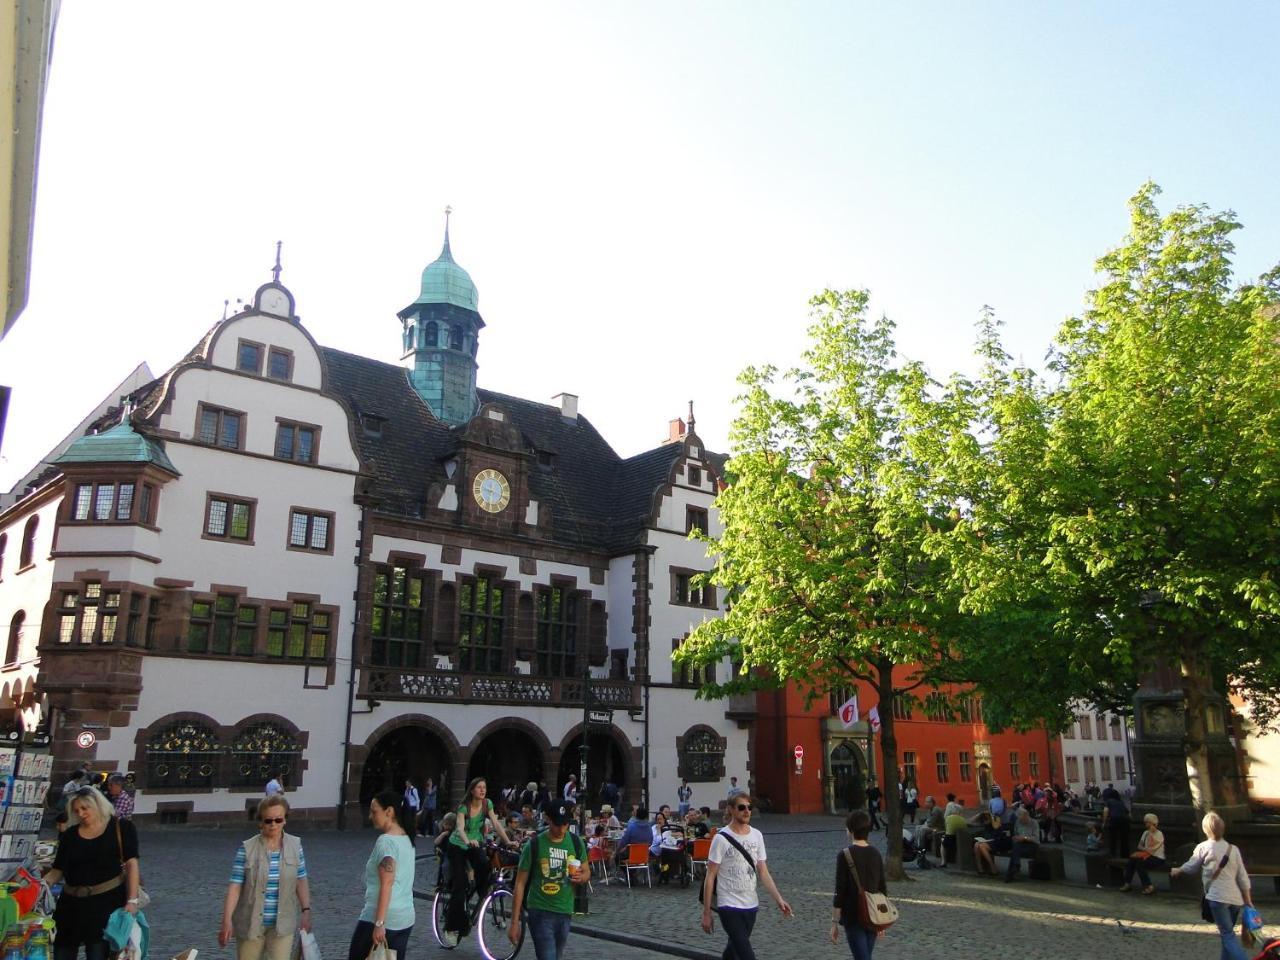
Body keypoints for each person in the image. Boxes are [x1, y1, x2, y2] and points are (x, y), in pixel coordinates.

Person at [42, 786, 141, 960]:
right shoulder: (70, 835)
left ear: (96, 805)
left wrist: (132, 900)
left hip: (105, 902)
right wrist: (42, 885)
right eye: (77, 810)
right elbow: (58, 870)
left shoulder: (121, 827)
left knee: (97, 953)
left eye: (84, 808)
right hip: (71, 904)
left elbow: (132, 864)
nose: (81, 813)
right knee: (62, 951)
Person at [700, 791, 792, 960]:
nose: (747, 811)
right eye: (742, 807)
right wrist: (707, 912)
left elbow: (763, 871)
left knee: (734, 949)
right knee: (746, 953)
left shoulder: (757, 835)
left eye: (749, 807)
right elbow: (710, 876)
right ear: (731, 810)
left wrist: (779, 899)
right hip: (728, 904)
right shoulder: (721, 839)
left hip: (751, 905)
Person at [219, 795, 312, 960]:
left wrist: (306, 911)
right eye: (268, 820)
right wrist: (226, 920)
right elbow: (235, 887)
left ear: (285, 820)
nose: (273, 825)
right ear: (260, 822)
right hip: (250, 923)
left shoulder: (296, 846)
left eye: (278, 819)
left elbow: (301, 879)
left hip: (282, 925)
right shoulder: (247, 849)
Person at [508, 803, 589, 959]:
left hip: (565, 910)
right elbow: (519, 884)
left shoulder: (576, 842)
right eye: (557, 824)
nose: (562, 829)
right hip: (540, 910)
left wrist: (581, 877)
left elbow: (586, 872)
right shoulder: (534, 845)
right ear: (548, 820)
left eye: (565, 824)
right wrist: (514, 922)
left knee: (557, 955)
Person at [443, 777, 515, 947]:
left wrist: (508, 841)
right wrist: (467, 840)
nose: (483, 790)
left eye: (484, 787)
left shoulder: (486, 804)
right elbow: (459, 827)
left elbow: (496, 824)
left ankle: (479, 893)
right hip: (458, 846)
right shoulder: (464, 807)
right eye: (479, 787)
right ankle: (451, 928)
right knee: (459, 886)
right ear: (472, 790)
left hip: (475, 845)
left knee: (485, 865)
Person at [1171, 811, 1253, 960]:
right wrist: (1248, 900)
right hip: (1235, 900)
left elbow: (1191, 866)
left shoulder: (1204, 847)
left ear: (1205, 829)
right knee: (1227, 934)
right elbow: (1243, 877)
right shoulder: (1233, 849)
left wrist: (1178, 870)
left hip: (1217, 897)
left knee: (1227, 934)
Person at [347, 790, 414, 960]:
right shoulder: (407, 838)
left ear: (389, 812)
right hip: (405, 917)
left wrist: (379, 923)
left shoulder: (386, 842)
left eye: (374, 811)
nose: (370, 816)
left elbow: (387, 882)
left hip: (382, 917)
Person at [830, 810, 886, 960]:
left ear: (851, 831)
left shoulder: (845, 855)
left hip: (853, 916)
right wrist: (882, 919)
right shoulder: (876, 853)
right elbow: (882, 888)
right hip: (874, 914)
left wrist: (834, 922)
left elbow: (839, 891)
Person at [1121, 813, 1165, 894]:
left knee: (1139, 864)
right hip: (1147, 855)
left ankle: (1149, 886)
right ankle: (1127, 883)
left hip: (1157, 857)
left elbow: (1154, 849)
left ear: (1152, 823)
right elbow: (1139, 846)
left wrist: (1147, 848)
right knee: (1132, 859)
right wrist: (1146, 849)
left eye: (1147, 822)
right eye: (1145, 822)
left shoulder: (1159, 834)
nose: (1146, 824)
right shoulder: (1145, 833)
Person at [1004, 807, 1039, 882]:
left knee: (1015, 851)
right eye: (1019, 819)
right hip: (1020, 844)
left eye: (1022, 819)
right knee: (1016, 846)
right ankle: (1015, 867)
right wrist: (1016, 837)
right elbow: (1016, 833)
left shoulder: (1034, 823)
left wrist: (1024, 838)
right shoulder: (1018, 822)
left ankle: (1010, 873)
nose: (1020, 821)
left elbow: (1036, 839)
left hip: (1032, 844)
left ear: (1026, 815)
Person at [1101, 786, 1131, 859]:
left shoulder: (1109, 801)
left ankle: (1113, 855)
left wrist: (1104, 822)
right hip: (1124, 821)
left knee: (1113, 839)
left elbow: (1105, 811)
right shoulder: (1121, 802)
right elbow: (1127, 812)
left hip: (1114, 820)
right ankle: (1125, 856)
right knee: (1124, 840)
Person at [969, 811, 1001, 876]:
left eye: (987, 817)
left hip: (995, 842)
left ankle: (992, 867)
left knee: (981, 846)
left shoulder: (995, 820)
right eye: (985, 817)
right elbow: (970, 822)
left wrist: (992, 818)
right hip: (986, 841)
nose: (986, 820)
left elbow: (996, 827)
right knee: (976, 845)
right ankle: (980, 868)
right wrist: (979, 814)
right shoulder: (983, 822)